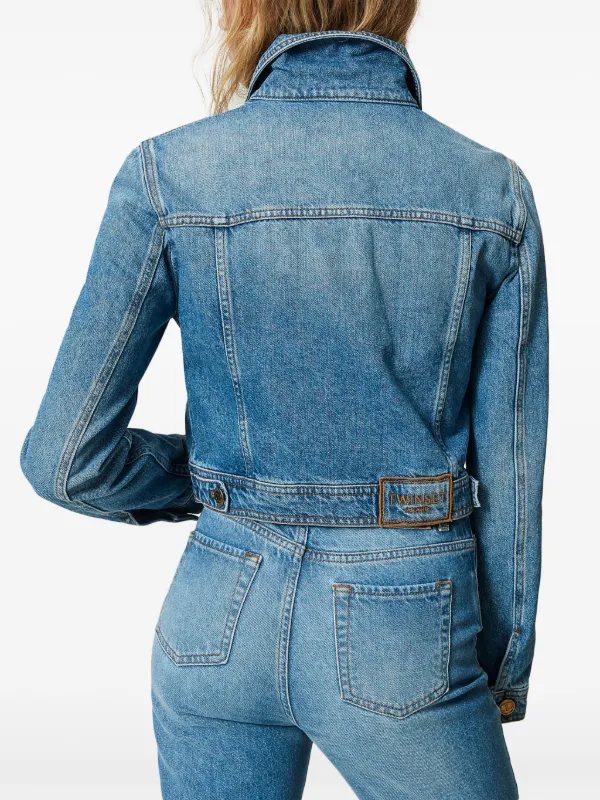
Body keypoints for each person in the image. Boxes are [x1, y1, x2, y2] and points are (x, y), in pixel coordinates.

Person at [20, 1, 548, 798]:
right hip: (403, 626)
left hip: (214, 616)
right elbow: (510, 476)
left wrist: (212, 483)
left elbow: (64, 461)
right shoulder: (489, 191)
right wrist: (500, 673)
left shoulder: (169, 174)